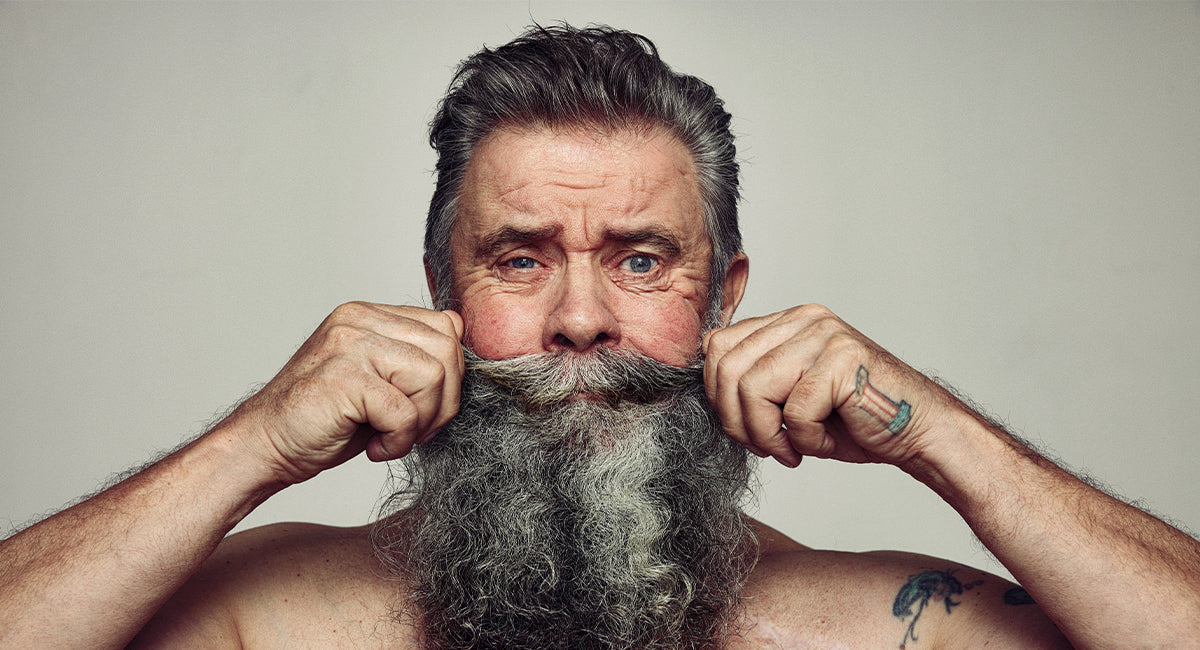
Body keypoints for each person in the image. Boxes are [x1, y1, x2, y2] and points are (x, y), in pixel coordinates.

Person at [2, 23, 1198, 649]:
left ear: (726, 300)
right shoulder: (274, 616)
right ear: (439, 292)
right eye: (520, 259)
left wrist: (934, 431)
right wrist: (252, 443)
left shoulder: (862, 623)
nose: (580, 319)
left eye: (642, 260)